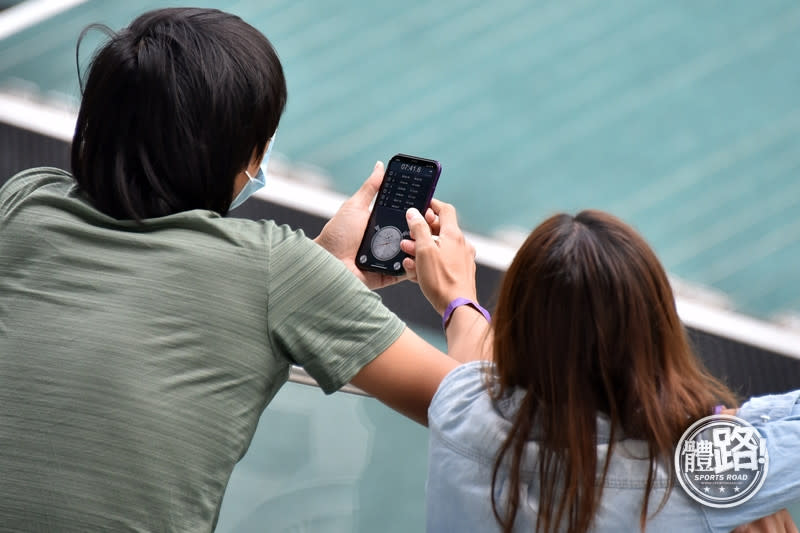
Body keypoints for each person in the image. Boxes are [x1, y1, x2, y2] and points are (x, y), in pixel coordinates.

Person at [0, 8, 465, 531]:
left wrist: (323, 272)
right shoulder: (276, 267)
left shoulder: (25, 201)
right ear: (245, 158)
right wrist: (457, 297)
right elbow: (478, 417)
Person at [403, 208, 800, 532]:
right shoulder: (692, 485)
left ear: (516, 326)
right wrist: (715, 431)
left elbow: (469, 364)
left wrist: (456, 298)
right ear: (654, 334)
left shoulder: (458, 411)